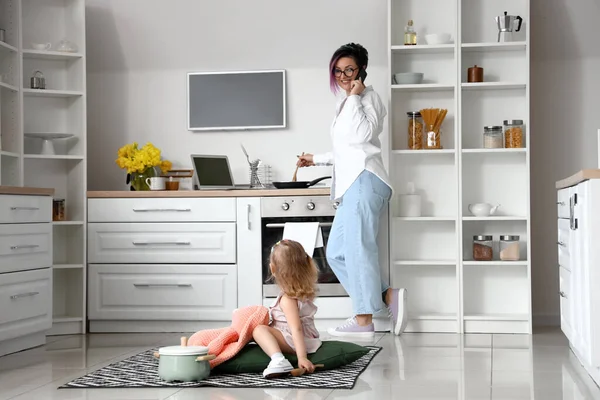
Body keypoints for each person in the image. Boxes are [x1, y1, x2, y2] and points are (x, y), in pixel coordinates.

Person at [296, 42, 408, 339]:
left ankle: (363, 320)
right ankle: (385, 296)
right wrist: (315, 159)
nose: (344, 76)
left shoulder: (368, 98)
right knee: (336, 254)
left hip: (365, 180)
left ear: (362, 71)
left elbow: (363, 135)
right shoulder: (346, 102)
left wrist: (356, 97)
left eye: (349, 70)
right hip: (352, 184)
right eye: (338, 70)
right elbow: (348, 150)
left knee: (359, 250)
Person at [252, 239, 322, 378]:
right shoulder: (302, 294)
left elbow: (296, 329)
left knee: (258, 330)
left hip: (295, 342)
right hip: (308, 338)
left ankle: (278, 360)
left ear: (273, 269)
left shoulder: (288, 300)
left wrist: (301, 357)